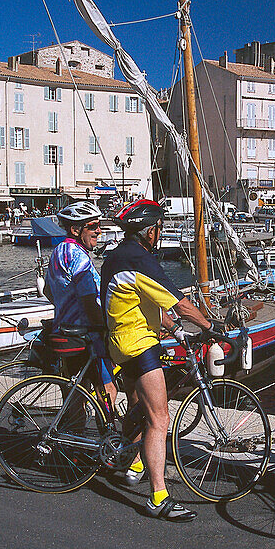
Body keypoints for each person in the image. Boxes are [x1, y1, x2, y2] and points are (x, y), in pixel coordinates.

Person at [101, 199, 217, 522]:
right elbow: (180, 303)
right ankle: (159, 496)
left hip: (121, 342)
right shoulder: (140, 259)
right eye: (159, 228)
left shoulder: (117, 256)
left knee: (141, 407)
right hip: (139, 344)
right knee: (160, 418)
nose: (160, 232)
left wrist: (174, 328)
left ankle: (130, 457)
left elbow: (138, 300)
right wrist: (211, 326)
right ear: (149, 231)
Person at [44, 200, 116, 405]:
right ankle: (107, 434)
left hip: (63, 330)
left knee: (76, 393)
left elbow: (48, 290)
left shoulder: (59, 251)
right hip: (85, 336)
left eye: (99, 225)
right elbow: (88, 299)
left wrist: (66, 307)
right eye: (93, 226)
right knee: (108, 389)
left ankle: (71, 434)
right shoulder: (79, 257)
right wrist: (104, 327)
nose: (99, 231)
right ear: (75, 229)